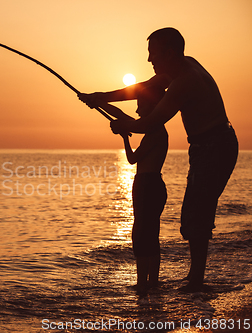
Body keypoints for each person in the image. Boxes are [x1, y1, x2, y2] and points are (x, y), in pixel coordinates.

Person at [78, 27, 239, 292]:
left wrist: (122, 126)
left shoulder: (184, 81)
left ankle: (196, 281)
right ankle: (195, 278)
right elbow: (142, 88)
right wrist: (101, 98)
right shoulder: (182, 67)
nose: (149, 60)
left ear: (169, 52)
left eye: (153, 53)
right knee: (196, 213)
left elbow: (152, 122)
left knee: (195, 215)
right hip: (208, 146)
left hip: (215, 147)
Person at [97, 86, 168, 295]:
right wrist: (99, 103)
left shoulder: (155, 131)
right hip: (148, 184)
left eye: (140, 106)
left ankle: (146, 283)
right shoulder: (153, 128)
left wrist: (125, 137)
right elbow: (121, 115)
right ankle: (148, 283)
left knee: (143, 235)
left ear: (152, 106)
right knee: (147, 234)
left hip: (148, 185)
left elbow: (132, 159)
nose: (137, 111)